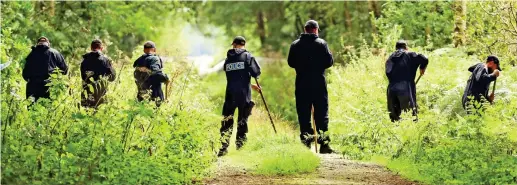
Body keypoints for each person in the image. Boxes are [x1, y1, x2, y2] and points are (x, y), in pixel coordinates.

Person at [288, 20, 334, 153]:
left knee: (303, 113)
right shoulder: (322, 44)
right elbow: (329, 62)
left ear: (305, 29)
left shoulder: (295, 45)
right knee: (321, 113)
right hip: (318, 82)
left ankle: (306, 143)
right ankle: (324, 145)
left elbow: (290, 62)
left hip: (302, 82)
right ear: (316, 30)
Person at [218, 36, 261, 157]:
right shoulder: (248, 56)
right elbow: (256, 73)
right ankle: (240, 147)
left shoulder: (228, 59)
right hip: (243, 94)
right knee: (242, 120)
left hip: (230, 93)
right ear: (244, 45)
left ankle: (223, 147)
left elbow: (236, 77)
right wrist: (253, 80)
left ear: (234, 45)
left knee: (227, 120)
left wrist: (251, 85)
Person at [385, 40, 429, 122]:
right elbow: (425, 59)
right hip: (405, 88)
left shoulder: (390, 58)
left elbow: (388, 72)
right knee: (411, 117)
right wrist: (422, 68)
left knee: (394, 119)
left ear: (396, 48)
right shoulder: (410, 54)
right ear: (406, 48)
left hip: (391, 89)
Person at [22, 36, 68, 101]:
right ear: (48, 44)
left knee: (32, 108)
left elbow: (25, 74)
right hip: (49, 85)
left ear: (37, 44)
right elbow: (65, 70)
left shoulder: (31, 54)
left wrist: (30, 80)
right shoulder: (55, 53)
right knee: (48, 108)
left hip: (33, 86)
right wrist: (56, 77)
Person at [80, 39, 116, 108]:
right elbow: (113, 77)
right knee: (100, 115)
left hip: (87, 93)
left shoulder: (84, 60)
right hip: (101, 94)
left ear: (91, 48)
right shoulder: (106, 60)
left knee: (86, 115)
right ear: (101, 48)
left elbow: (83, 77)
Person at [133, 41, 169, 106]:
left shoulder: (139, 60)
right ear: (154, 49)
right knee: (156, 113)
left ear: (144, 50)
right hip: (154, 96)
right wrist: (165, 78)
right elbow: (156, 73)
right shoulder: (155, 59)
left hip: (141, 95)